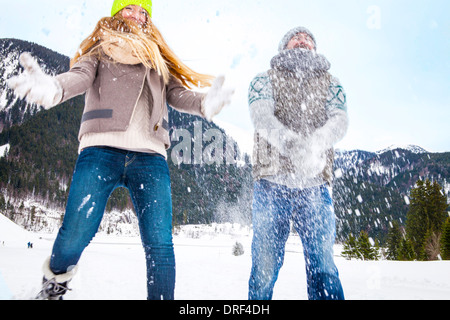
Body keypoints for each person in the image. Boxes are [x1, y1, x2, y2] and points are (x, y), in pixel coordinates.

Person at [7, 0, 233, 300]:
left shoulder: (157, 59)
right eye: (129, 8)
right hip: (100, 149)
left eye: (144, 12)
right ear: (115, 12)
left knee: (160, 244)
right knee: (75, 232)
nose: (137, 15)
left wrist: (204, 103)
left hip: (150, 158)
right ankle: (53, 289)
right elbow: (79, 77)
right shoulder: (99, 50)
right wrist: (54, 87)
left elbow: (176, 94)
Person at [247, 26, 348, 300]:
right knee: (264, 268)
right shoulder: (263, 78)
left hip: (314, 187)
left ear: (315, 48)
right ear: (284, 46)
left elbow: (339, 120)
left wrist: (315, 145)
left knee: (324, 267)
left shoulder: (331, 82)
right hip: (271, 184)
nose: (303, 40)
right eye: (296, 37)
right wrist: (293, 146)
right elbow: (262, 117)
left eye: (308, 38)